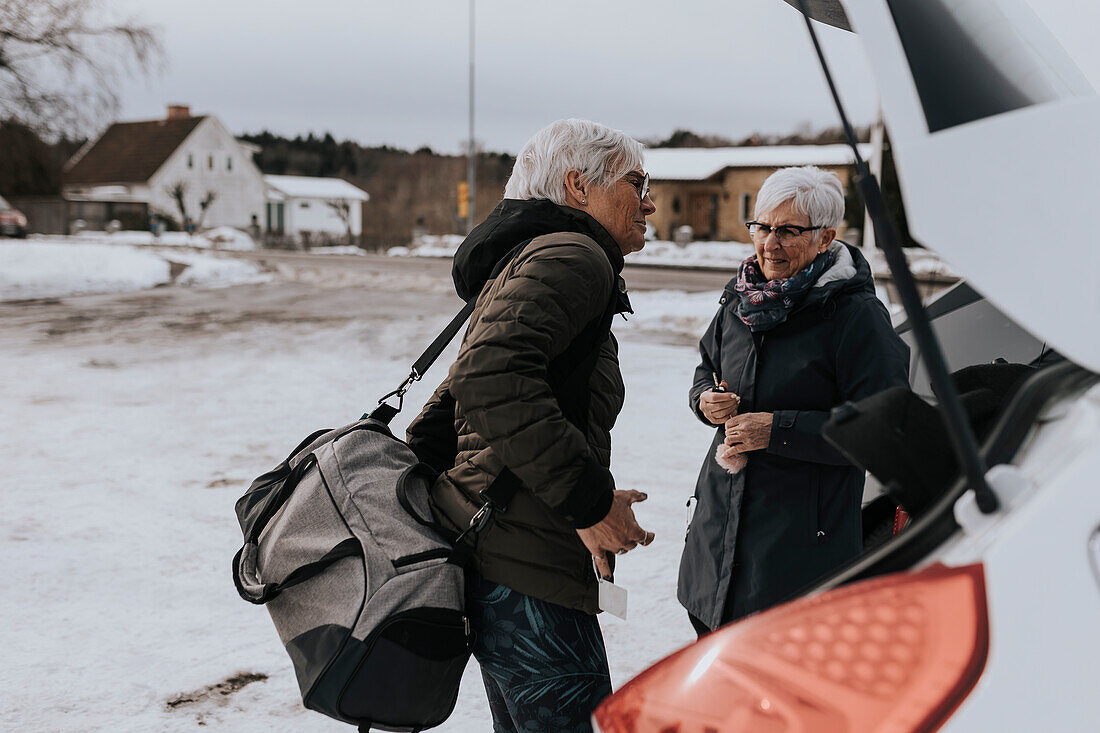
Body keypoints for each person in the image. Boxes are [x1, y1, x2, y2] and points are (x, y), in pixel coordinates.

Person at [406, 118, 657, 731]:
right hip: (530, 573)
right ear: (578, 186)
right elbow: (489, 379)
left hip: (503, 559)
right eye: (635, 182)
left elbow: (450, 412)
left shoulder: (531, 258)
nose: (649, 201)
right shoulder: (575, 256)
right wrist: (587, 503)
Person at [678, 166, 910, 635]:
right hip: (717, 544)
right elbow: (708, 365)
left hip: (797, 557)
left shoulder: (855, 315)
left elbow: (884, 425)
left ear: (827, 237)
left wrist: (779, 429)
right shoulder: (741, 298)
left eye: (788, 231)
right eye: (761, 227)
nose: (769, 243)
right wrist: (706, 399)